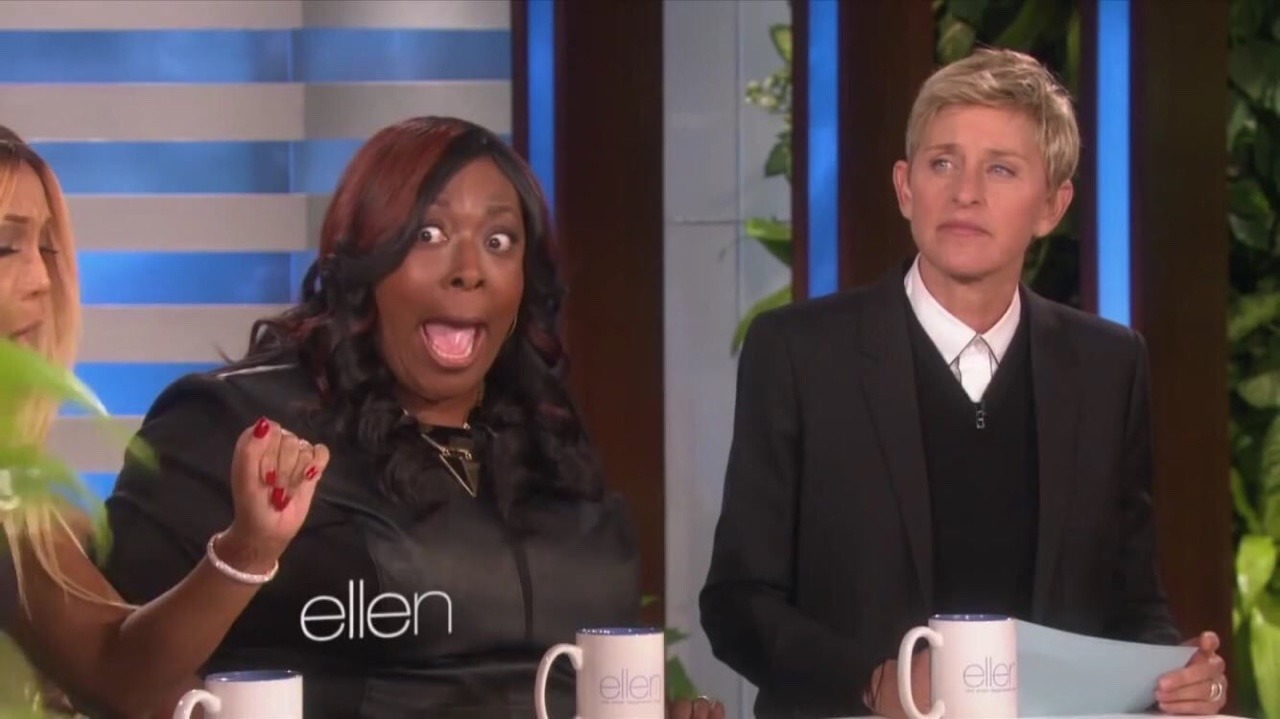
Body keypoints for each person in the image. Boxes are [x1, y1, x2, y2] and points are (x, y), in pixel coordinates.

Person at [98, 116, 725, 719]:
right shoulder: (232, 422)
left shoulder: (547, 437)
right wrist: (247, 552)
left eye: (499, 242)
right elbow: (120, 680)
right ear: (363, 259)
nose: (469, 271)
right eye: (427, 235)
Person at [700, 48, 1228, 718]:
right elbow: (738, 601)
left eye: (1000, 169)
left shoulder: (1108, 366)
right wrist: (875, 684)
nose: (965, 192)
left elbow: (1132, 604)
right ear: (905, 187)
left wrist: (1180, 678)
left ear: (1052, 205)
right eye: (942, 163)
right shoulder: (800, 353)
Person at [0, 126, 330, 717]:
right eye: (5, 247)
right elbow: (120, 675)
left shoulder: (27, 509)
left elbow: (128, 673)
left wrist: (251, 547)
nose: (42, 281)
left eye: (46, 249)